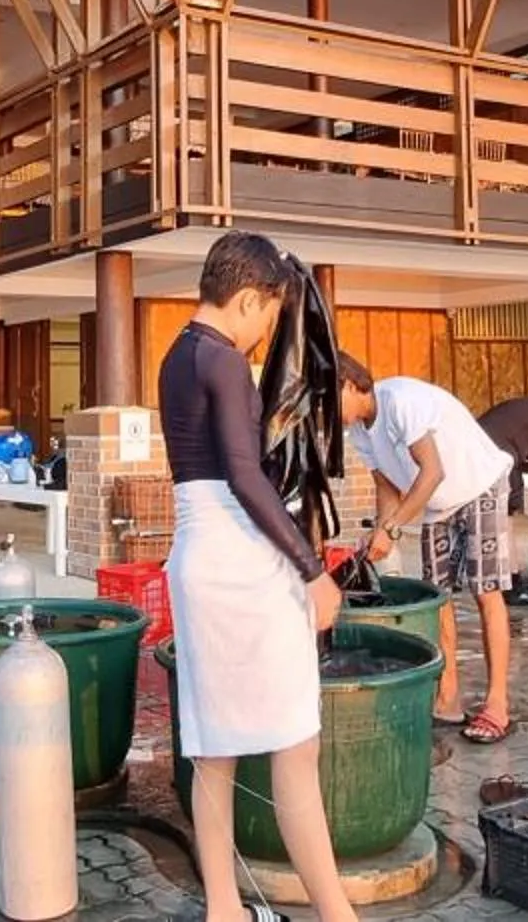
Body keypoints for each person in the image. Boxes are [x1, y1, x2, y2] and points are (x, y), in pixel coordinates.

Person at [161, 231, 356, 922]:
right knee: (296, 744)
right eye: (269, 316)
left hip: (194, 555)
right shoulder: (223, 363)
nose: (268, 331)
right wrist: (312, 572)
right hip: (241, 560)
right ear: (247, 299)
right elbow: (247, 478)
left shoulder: (177, 355)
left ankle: (223, 910)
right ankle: (338, 915)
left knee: (214, 749)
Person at [341, 356, 520, 744]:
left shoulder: (400, 400)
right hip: (436, 504)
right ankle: (448, 697)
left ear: (351, 385)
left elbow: (432, 470)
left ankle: (497, 703)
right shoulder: (357, 431)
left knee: (486, 590)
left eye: (329, 399)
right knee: (438, 599)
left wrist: (393, 526)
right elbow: (388, 488)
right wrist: (381, 532)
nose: (327, 413)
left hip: (478, 487)